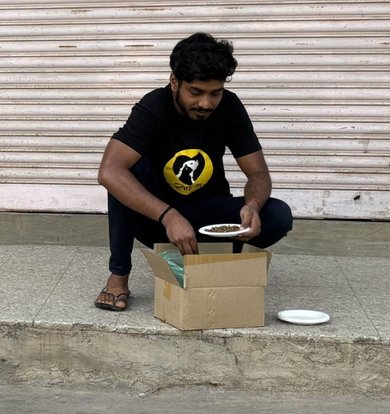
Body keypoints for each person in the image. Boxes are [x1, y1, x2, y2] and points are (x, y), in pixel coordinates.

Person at [94, 31, 293, 312]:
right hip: (157, 221)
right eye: (196, 92)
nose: (206, 103)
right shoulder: (153, 107)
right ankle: (118, 276)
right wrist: (168, 215)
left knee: (277, 215)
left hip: (206, 219)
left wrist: (254, 205)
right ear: (174, 81)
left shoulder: (230, 107)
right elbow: (109, 172)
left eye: (215, 93)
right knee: (125, 172)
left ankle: (217, 264)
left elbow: (258, 174)